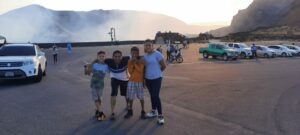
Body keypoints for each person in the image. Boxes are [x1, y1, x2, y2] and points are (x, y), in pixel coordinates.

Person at [143, 39, 167, 125]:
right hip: (147, 79)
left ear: (152, 46)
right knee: (152, 96)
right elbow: (144, 68)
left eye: (149, 45)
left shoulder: (157, 54)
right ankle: (153, 111)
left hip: (156, 78)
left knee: (155, 95)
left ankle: (160, 115)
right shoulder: (145, 55)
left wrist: (157, 73)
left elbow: (164, 66)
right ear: (144, 46)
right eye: (146, 45)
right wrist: (144, 79)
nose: (148, 47)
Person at [105, 50, 130, 120]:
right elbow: (98, 60)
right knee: (113, 93)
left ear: (122, 57)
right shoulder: (108, 61)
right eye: (115, 56)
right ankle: (112, 112)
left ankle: (128, 105)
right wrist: (90, 65)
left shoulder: (126, 59)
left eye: (119, 56)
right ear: (112, 57)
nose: (117, 58)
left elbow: (137, 57)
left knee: (126, 94)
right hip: (114, 78)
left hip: (124, 79)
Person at [124, 46, 146, 119]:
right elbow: (130, 71)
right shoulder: (129, 61)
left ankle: (143, 111)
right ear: (131, 53)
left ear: (138, 53)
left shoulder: (141, 60)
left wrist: (136, 62)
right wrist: (133, 62)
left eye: (136, 53)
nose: (134, 54)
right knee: (131, 97)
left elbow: (140, 70)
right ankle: (130, 110)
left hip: (139, 81)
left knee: (141, 97)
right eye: (133, 53)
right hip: (131, 81)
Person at [86, 51, 109, 121]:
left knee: (99, 99)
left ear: (105, 57)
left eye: (103, 56)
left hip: (101, 85)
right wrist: (88, 67)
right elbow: (88, 73)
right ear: (97, 57)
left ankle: (97, 110)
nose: (101, 57)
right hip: (93, 84)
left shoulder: (106, 66)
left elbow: (112, 71)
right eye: (100, 56)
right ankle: (101, 113)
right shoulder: (94, 65)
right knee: (95, 98)